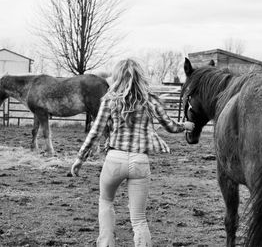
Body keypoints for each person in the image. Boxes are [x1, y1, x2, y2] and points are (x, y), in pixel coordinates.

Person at [70, 58, 194, 247]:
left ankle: (106, 243)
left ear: (117, 77)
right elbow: (169, 126)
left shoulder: (109, 100)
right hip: (140, 161)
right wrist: (184, 126)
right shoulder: (150, 100)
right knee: (138, 218)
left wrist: (80, 159)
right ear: (140, 77)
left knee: (106, 202)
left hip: (114, 159)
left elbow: (95, 132)